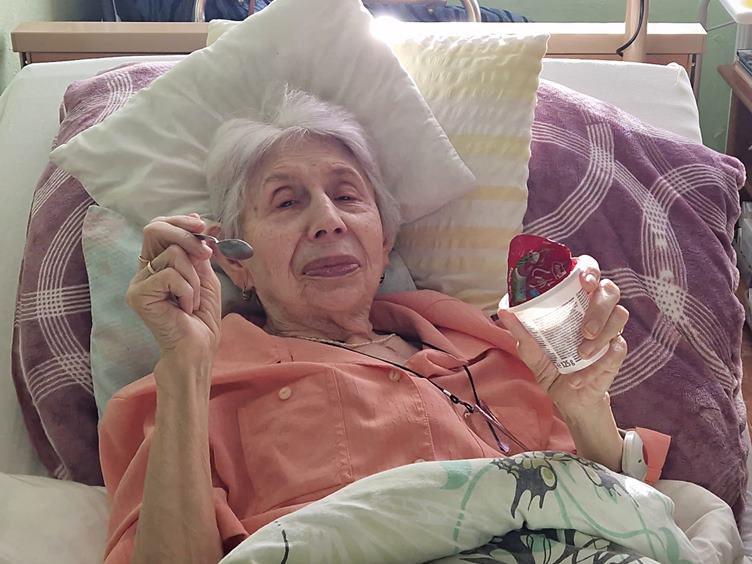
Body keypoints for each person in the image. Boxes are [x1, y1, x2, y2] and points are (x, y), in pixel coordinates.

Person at [99, 89, 670, 564]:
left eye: (347, 196)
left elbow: (610, 508)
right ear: (235, 261)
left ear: (385, 237)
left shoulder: (499, 344)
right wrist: (185, 367)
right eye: (286, 203)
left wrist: (586, 407)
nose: (327, 221)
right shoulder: (193, 391)